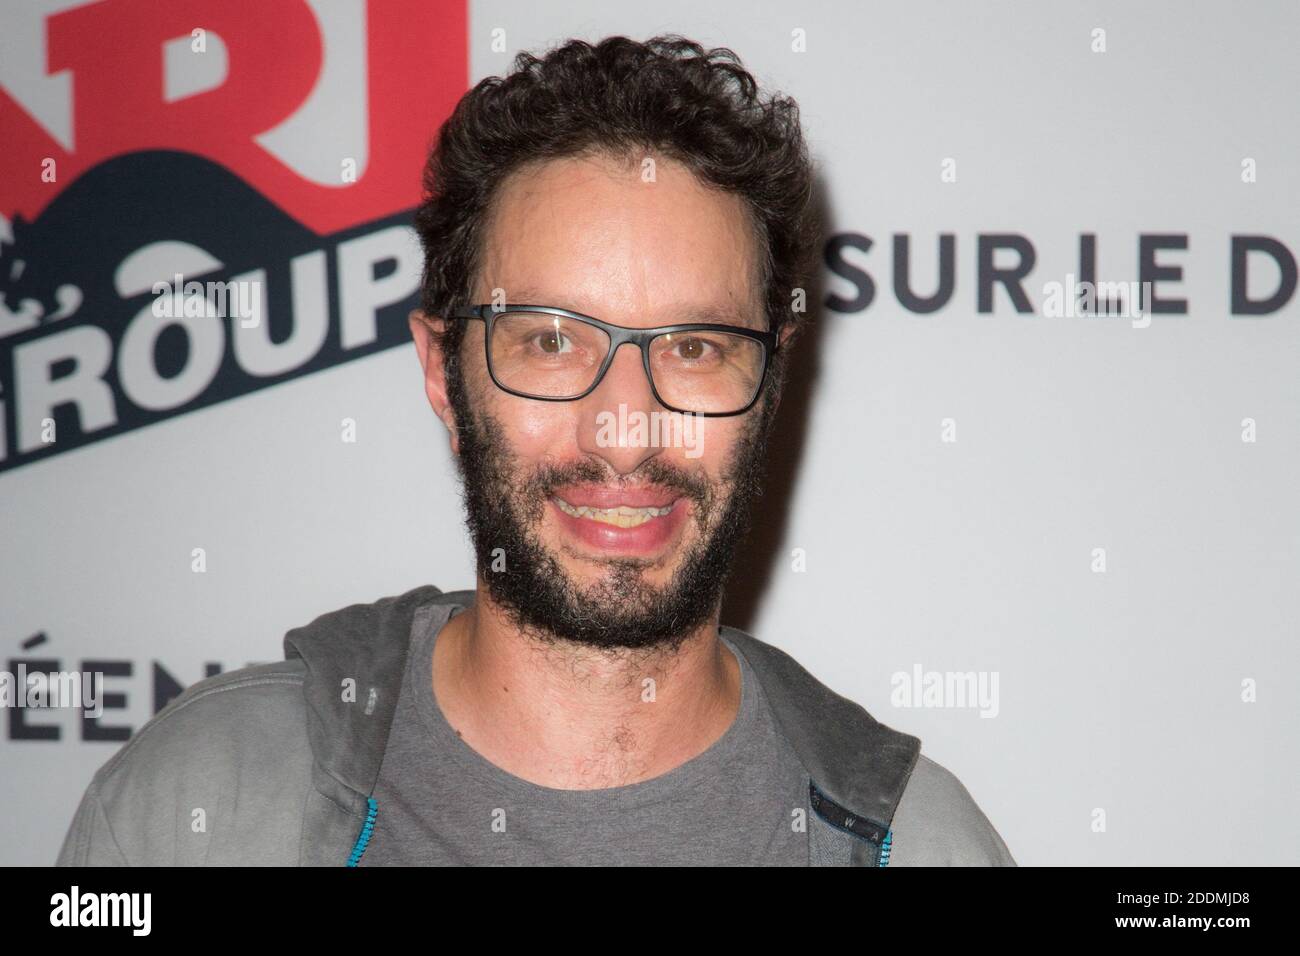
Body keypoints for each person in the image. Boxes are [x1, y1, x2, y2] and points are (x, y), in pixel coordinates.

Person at [57, 34, 1014, 867]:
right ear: (443, 369)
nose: (625, 429)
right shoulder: (197, 810)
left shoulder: (917, 846)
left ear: (770, 382)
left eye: (695, 348)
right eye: (551, 341)